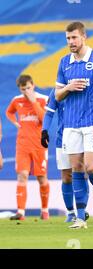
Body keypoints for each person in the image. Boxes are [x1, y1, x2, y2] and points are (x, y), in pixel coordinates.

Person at [55, 21, 93, 229]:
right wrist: (69, 87)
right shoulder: (64, 62)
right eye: (68, 38)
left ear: (84, 37)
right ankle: (81, 218)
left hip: (92, 123)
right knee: (76, 169)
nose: (71, 42)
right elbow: (57, 95)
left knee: (91, 166)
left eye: (74, 38)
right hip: (70, 124)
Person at [41, 89, 90, 223]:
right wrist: (44, 130)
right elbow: (49, 113)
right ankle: (70, 212)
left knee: (82, 172)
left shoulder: (83, 87)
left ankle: (82, 209)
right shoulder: (57, 91)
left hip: (81, 136)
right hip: (62, 139)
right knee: (66, 175)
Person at [6, 74, 50, 221]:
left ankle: (44, 211)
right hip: (22, 145)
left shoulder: (43, 99)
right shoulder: (16, 100)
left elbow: (44, 119)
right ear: (20, 88)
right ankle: (20, 212)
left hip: (39, 145)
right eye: (23, 89)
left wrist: (33, 102)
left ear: (34, 85)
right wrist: (16, 123)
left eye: (29, 88)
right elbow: (9, 112)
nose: (26, 91)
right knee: (22, 175)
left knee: (41, 178)